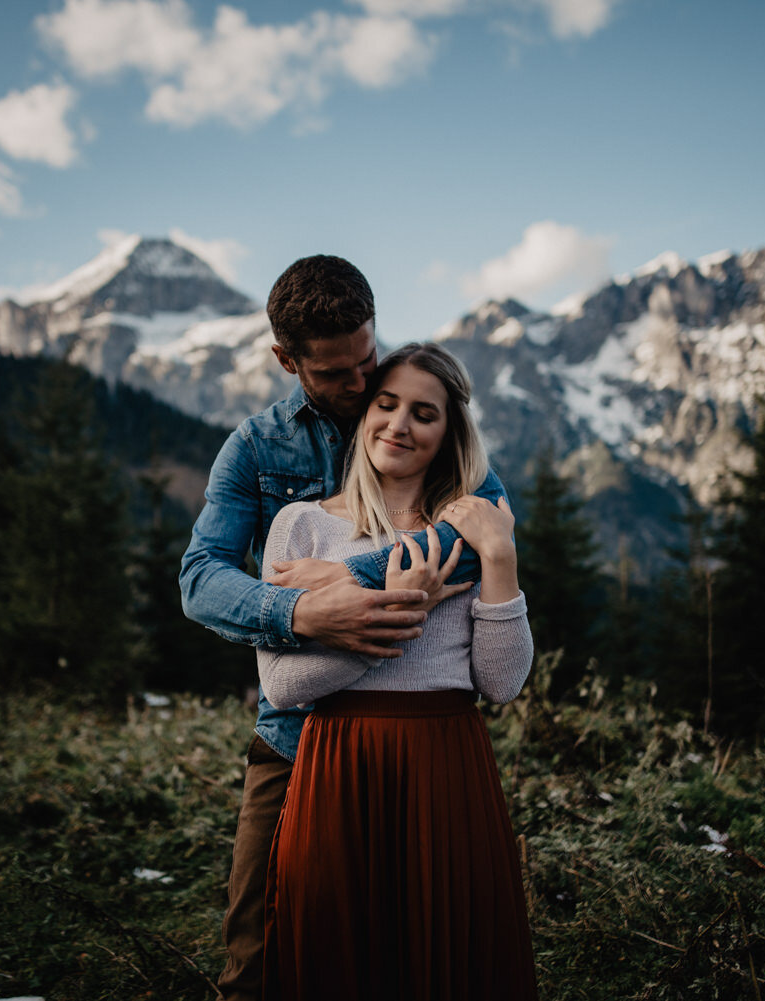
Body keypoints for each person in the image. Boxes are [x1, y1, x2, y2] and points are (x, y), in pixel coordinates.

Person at [179, 256, 507, 1001]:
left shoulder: (411, 405)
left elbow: (479, 538)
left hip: (414, 744)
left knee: (405, 955)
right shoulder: (256, 450)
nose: (361, 388)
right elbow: (200, 578)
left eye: (367, 358)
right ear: (285, 360)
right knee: (259, 958)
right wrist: (297, 609)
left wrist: (343, 582)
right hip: (294, 730)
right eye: (335, 374)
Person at [258, 342, 537, 1000]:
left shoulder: (470, 531)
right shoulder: (302, 528)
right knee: (342, 953)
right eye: (386, 405)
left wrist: (499, 557)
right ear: (363, 415)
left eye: (424, 412)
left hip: (445, 763)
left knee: (445, 958)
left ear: (449, 431)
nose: (400, 424)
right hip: (340, 766)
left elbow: (502, 683)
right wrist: (399, 613)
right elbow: (283, 684)